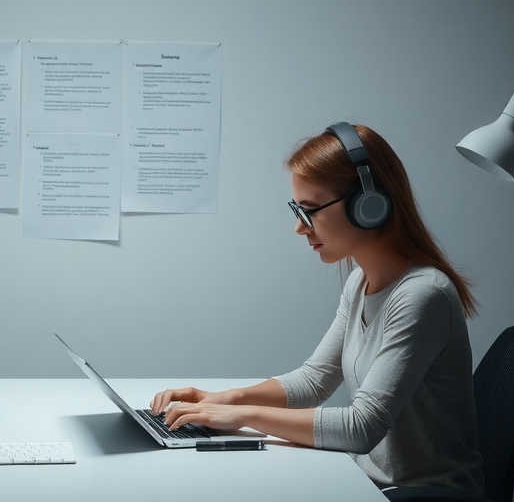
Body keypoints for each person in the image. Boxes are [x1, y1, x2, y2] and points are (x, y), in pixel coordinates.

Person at [150, 123, 484, 494]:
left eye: (309, 210)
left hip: (424, 495)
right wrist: (222, 398)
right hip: (369, 484)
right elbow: (314, 380)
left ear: (368, 205)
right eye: (297, 209)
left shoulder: (423, 295)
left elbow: (361, 428)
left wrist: (239, 416)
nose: (299, 228)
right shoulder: (360, 282)